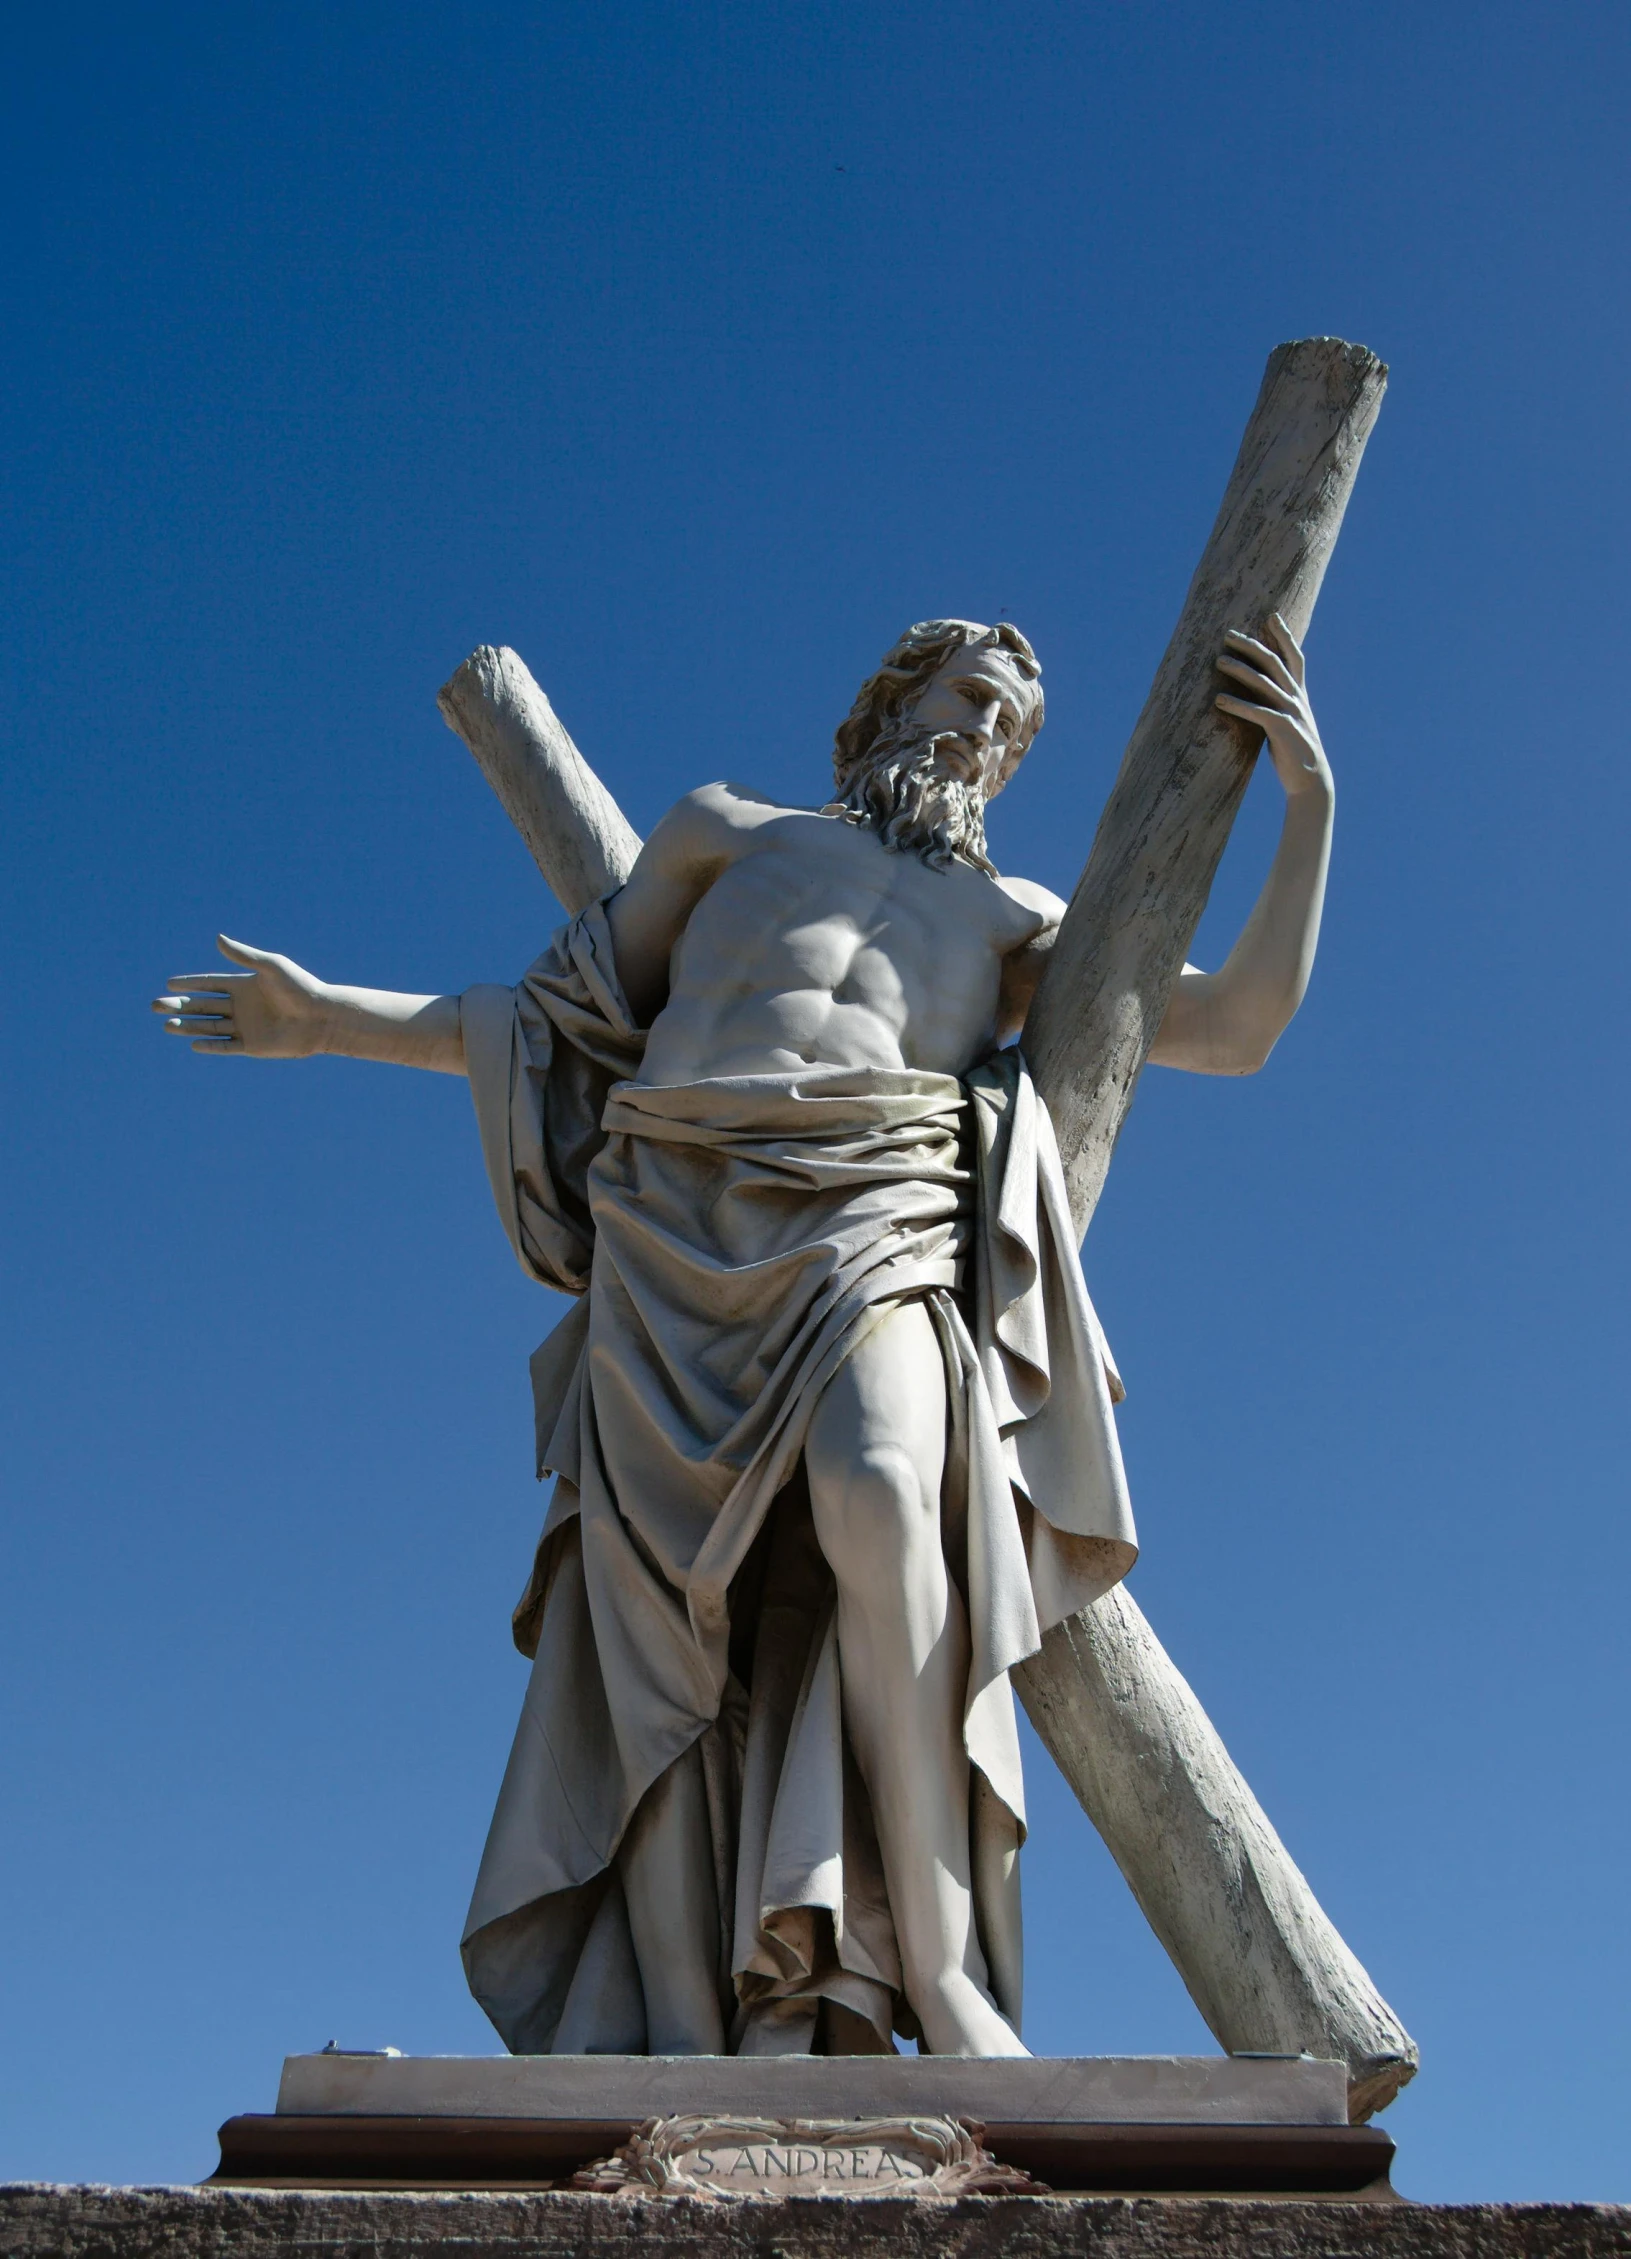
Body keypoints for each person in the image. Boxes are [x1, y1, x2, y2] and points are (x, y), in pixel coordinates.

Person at [155, 614, 1333, 2058]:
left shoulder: (1019, 920)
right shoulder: (723, 827)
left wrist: (1307, 806)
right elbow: (561, 1020)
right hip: (671, 1228)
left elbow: (1241, 1022)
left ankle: (945, 1972)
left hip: (870, 1216)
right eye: (970, 694)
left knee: (891, 1491)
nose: (987, 734)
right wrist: (328, 1016)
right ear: (892, 698)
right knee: (648, 1628)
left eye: (1013, 726)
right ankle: (673, 2021)